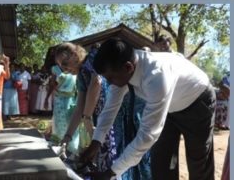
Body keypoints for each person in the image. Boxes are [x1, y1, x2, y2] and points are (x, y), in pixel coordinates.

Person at [80, 38, 215, 180]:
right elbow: (109, 110)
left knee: (198, 161)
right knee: (162, 162)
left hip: (197, 101)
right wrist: (96, 143)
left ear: (128, 67)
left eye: (111, 78)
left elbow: (147, 136)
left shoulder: (156, 77)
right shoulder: (123, 69)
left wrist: (111, 173)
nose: (109, 83)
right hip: (169, 107)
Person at [56, 44, 151, 177]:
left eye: (65, 63)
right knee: (108, 158)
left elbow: (96, 82)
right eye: (61, 66)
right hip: (106, 119)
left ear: (75, 54)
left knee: (131, 154)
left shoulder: (93, 59)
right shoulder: (80, 77)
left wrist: (87, 117)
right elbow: (79, 108)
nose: (64, 69)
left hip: (123, 114)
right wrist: (67, 138)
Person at [45, 55, 78, 153]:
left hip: (71, 100)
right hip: (59, 99)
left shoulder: (75, 72)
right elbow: (53, 84)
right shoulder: (55, 69)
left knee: (69, 120)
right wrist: (47, 98)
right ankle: (60, 143)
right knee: (59, 120)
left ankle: (68, 145)